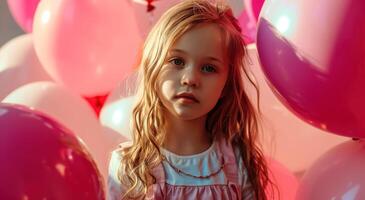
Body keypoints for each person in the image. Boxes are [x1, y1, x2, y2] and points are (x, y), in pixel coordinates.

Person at [108, 0, 273, 199]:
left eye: (208, 68)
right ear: (154, 67)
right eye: (177, 61)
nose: (190, 79)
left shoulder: (238, 161)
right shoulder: (129, 166)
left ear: (225, 86)